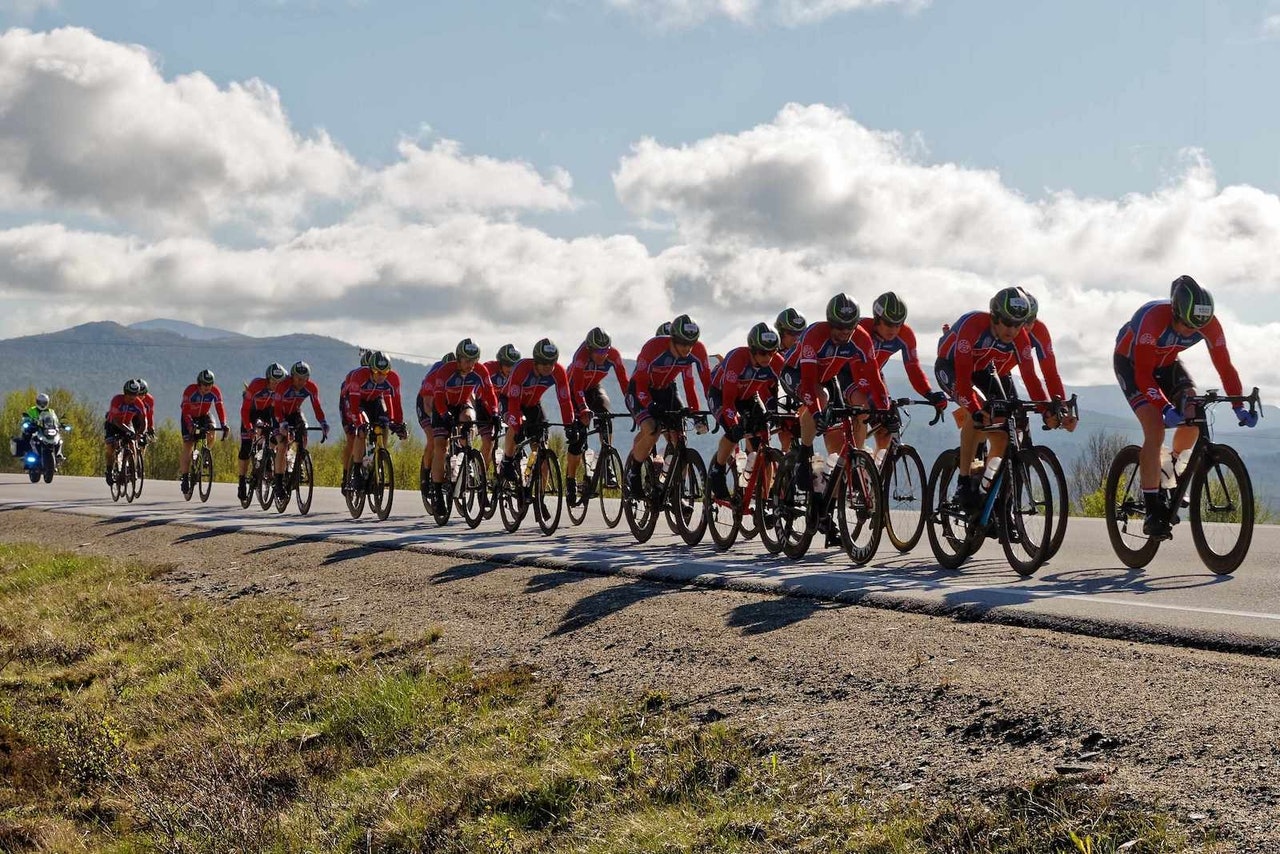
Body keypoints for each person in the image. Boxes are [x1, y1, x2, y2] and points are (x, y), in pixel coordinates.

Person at [1113, 275, 1252, 538]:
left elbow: (1225, 367)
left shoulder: (1209, 323)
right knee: (1155, 429)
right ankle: (1152, 511)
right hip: (1132, 367)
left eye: (1197, 326)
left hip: (1167, 365)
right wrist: (1164, 407)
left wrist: (1238, 405)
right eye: (1186, 324)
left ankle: (1171, 467)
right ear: (1175, 311)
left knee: (1194, 410)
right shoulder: (1152, 319)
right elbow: (1143, 376)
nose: (1190, 330)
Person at [935, 287, 1048, 511]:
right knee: (976, 412)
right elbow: (964, 381)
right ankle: (964, 481)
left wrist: (1047, 409)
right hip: (952, 368)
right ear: (995, 317)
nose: (1013, 330)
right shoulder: (973, 325)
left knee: (1003, 434)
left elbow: (1031, 378)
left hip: (983, 370)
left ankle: (986, 483)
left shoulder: (1021, 336)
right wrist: (976, 409)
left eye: (1018, 324)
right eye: (1008, 323)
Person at [781, 294, 889, 489]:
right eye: (839, 327)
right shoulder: (814, 334)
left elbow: (874, 377)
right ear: (830, 323)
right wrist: (816, 413)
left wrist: (884, 409)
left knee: (854, 413)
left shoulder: (861, 338)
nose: (845, 332)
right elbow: (808, 383)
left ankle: (847, 468)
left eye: (850, 327)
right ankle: (804, 455)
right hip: (797, 373)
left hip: (828, 377)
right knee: (820, 399)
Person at [624, 314, 709, 495]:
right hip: (641, 390)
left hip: (666, 390)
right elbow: (640, 384)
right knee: (652, 429)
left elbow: (692, 385)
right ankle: (634, 471)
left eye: (691, 343)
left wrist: (697, 413)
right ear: (673, 339)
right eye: (683, 343)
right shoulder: (653, 348)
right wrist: (650, 405)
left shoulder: (697, 351)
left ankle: (678, 491)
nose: (687, 348)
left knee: (680, 438)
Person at [857, 292, 949, 457]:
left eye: (898, 324)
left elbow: (913, 368)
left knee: (886, 430)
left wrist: (929, 394)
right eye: (889, 323)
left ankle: (874, 469)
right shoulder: (862, 329)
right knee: (860, 413)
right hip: (847, 374)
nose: (894, 329)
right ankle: (854, 461)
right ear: (877, 319)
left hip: (874, 375)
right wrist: (872, 397)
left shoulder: (905, 335)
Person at [707, 323, 784, 500]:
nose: (768, 357)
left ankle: (763, 499)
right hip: (721, 395)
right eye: (763, 353)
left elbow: (788, 387)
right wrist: (734, 424)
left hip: (749, 396)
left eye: (772, 352)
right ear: (752, 349)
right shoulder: (737, 358)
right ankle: (718, 469)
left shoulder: (776, 362)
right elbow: (728, 402)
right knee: (733, 432)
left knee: (763, 438)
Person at [427, 339, 499, 514]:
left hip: (463, 404)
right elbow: (438, 397)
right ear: (458, 358)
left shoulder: (480, 371)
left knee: (469, 418)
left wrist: (495, 413)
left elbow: (490, 394)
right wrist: (445, 415)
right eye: (467, 360)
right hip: (443, 405)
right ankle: (437, 492)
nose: (471, 365)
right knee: (440, 446)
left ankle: (467, 458)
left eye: (474, 360)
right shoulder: (445, 371)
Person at [498, 339, 575, 502]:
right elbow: (513, 401)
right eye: (545, 363)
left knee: (541, 451)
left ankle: (538, 496)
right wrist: (517, 427)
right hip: (510, 401)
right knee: (514, 425)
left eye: (552, 363)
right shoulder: (522, 368)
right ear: (536, 361)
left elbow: (565, 401)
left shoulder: (558, 371)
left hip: (533, 405)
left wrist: (570, 426)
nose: (549, 367)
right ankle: (507, 460)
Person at [565, 327, 629, 504]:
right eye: (598, 352)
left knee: (605, 416)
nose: (602, 355)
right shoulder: (581, 357)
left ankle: (606, 463)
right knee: (578, 439)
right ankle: (570, 481)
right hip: (574, 391)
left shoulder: (614, 355)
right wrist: (583, 410)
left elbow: (624, 383)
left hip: (593, 388)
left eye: (605, 351)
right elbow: (577, 389)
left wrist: (634, 405)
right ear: (589, 349)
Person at [343, 350, 406, 492]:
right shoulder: (359, 376)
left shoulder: (393, 378)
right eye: (377, 372)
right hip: (356, 401)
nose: (382, 376)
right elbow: (354, 407)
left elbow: (396, 403)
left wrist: (398, 423)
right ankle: (357, 470)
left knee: (384, 424)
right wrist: (359, 424)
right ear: (371, 370)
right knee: (361, 431)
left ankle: (379, 457)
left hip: (375, 400)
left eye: (385, 372)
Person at [1019, 289, 1078, 431]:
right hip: (987, 367)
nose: (1026, 326)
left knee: (1017, 424)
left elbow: (1050, 373)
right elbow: (1028, 375)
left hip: (1005, 368)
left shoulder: (1039, 330)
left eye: (1031, 320)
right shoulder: (1007, 329)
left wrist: (1060, 409)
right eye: (1022, 320)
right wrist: (1044, 410)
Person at [272, 361, 328, 495]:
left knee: (303, 434)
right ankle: (278, 482)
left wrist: (323, 422)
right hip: (278, 414)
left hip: (295, 413)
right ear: (292, 376)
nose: (301, 382)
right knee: (282, 444)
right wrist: (281, 423)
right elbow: (277, 408)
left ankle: (299, 463)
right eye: (298, 378)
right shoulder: (283, 385)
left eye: (304, 379)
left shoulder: (311, 387)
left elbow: (317, 406)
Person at [238, 362, 286, 502]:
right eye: (273, 381)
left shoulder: (281, 390)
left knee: (275, 435)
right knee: (246, 448)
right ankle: (242, 481)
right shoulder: (256, 385)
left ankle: (268, 461)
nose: (276, 385)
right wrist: (249, 427)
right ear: (267, 379)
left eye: (279, 382)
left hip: (267, 413)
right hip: (251, 413)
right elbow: (245, 410)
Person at [177, 369, 229, 493]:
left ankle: (205, 453)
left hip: (204, 415)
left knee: (212, 431)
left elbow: (219, 407)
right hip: (189, 417)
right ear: (199, 384)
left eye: (210, 384)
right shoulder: (190, 391)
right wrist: (190, 424)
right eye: (205, 384)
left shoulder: (215, 391)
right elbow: (185, 410)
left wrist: (224, 424)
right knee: (188, 445)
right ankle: (185, 477)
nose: (207, 387)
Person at [416, 353, 456, 496]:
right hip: (426, 404)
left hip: (446, 403)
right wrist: (436, 423)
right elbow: (428, 405)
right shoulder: (434, 376)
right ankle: (426, 475)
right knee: (433, 439)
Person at [477, 344, 521, 474]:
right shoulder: (489, 368)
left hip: (505, 406)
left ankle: (507, 466)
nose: (510, 368)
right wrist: (494, 412)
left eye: (514, 365)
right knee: (488, 443)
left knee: (515, 437)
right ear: (500, 362)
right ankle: (481, 475)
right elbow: (478, 391)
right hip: (485, 406)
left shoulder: (517, 374)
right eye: (507, 364)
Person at [339, 349, 373, 486]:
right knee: (352, 438)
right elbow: (350, 404)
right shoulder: (355, 377)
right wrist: (357, 423)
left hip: (368, 403)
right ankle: (346, 475)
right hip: (349, 403)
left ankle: (373, 462)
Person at [103, 379, 147, 484]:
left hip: (127, 424)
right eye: (129, 395)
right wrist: (129, 431)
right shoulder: (116, 400)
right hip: (113, 424)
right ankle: (109, 470)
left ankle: (133, 470)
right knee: (111, 447)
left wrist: (140, 433)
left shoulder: (138, 403)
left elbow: (143, 420)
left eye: (134, 395)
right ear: (125, 393)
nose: (132, 398)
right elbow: (116, 421)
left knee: (132, 443)